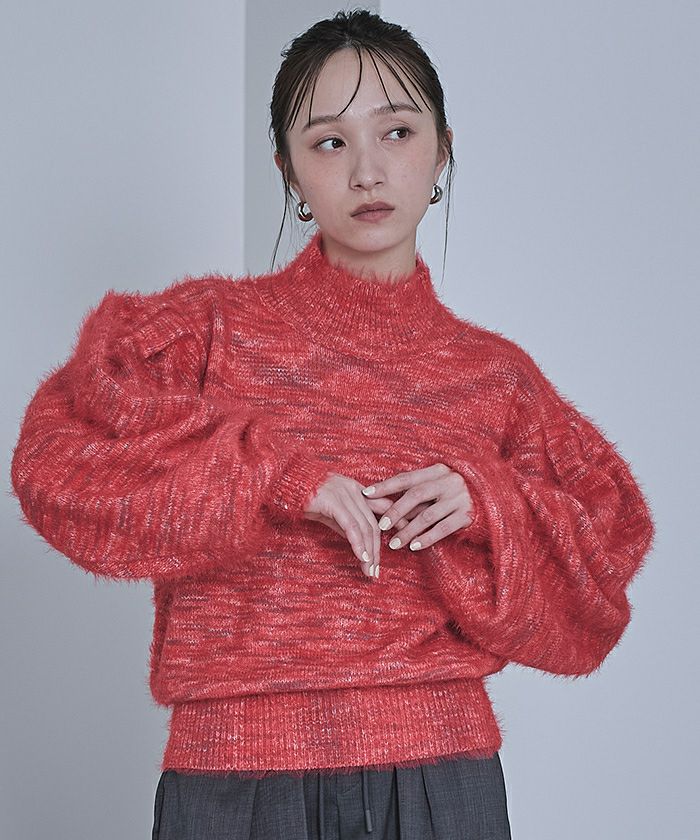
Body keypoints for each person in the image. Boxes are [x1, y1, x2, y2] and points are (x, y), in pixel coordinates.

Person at [10, 9, 655, 840]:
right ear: (288, 168)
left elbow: (605, 556)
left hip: (439, 780)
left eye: (397, 131)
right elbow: (56, 462)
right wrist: (273, 476)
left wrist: (489, 502)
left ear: (442, 150)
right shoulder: (209, 331)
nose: (367, 170)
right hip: (235, 779)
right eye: (329, 142)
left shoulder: (493, 376)